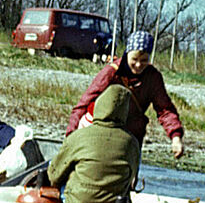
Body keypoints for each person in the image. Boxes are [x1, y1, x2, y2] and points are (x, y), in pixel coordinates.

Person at [66, 30, 184, 159]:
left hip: (131, 137)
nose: (138, 65)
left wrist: (176, 137)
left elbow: (165, 110)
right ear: (127, 54)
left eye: (144, 60)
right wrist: (70, 135)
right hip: (101, 134)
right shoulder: (111, 73)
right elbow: (84, 103)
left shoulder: (153, 77)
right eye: (134, 59)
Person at [48, 85, 140, 203]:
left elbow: (54, 176)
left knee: (53, 165)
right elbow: (132, 180)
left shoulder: (78, 136)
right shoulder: (132, 143)